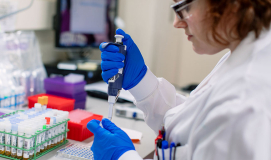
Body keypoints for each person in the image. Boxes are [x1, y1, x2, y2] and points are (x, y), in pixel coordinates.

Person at [87, 0, 271, 159]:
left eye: (184, 8)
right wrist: (140, 81)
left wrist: (122, 157)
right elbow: (195, 124)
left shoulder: (245, 98)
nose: (176, 23)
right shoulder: (248, 52)